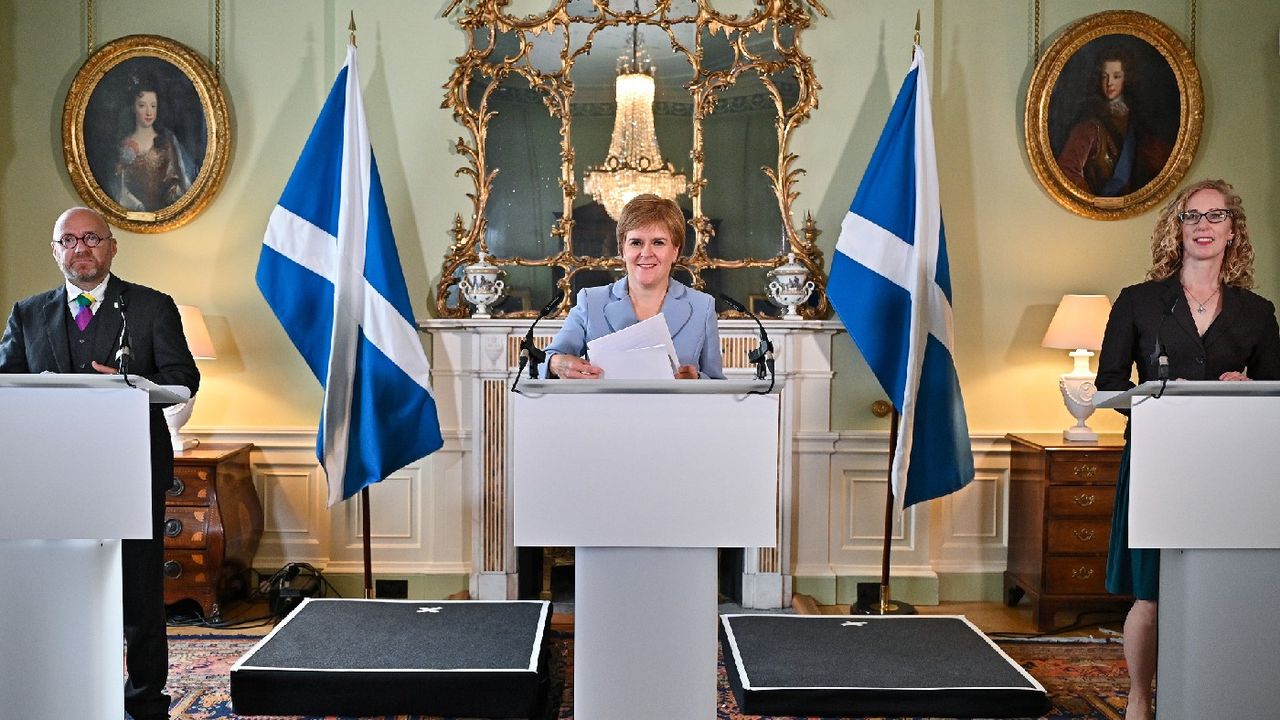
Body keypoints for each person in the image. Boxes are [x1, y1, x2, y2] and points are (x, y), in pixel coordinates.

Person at [0, 207, 200, 720]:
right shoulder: (27, 313)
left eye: (91, 238)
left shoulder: (152, 307)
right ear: (55, 251)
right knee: (60, 585)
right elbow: (5, 383)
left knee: (139, 589)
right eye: (69, 240)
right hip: (49, 473)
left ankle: (144, 702)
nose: (80, 248)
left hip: (131, 468)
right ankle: (58, 689)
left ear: (112, 247)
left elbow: (184, 381)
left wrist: (131, 385)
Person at [1094, 179, 1280, 720]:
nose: (1203, 225)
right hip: (1156, 461)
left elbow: (1276, 390)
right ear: (1176, 230)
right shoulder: (1138, 302)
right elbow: (1109, 386)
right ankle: (1140, 697)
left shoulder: (1257, 312)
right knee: (1149, 594)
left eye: (1215, 216)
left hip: (1229, 466)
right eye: (1191, 216)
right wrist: (1155, 398)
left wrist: (1246, 388)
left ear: (1232, 232)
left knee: (1221, 589)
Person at [545, 193, 724, 379]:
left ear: (675, 251)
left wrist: (698, 380)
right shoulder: (591, 301)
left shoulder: (702, 307)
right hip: (604, 408)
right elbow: (548, 358)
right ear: (622, 249)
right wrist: (555, 363)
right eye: (636, 242)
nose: (646, 253)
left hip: (678, 408)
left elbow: (716, 381)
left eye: (658, 242)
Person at [1055, 46, 1172, 197]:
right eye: (1104, 76)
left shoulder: (1136, 120)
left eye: (1116, 76)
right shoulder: (1089, 126)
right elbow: (1068, 169)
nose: (1109, 83)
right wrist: (1094, 203)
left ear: (1126, 78)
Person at [112, 75, 196, 212]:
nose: (149, 112)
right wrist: (137, 206)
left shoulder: (167, 141)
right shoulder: (124, 145)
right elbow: (119, 189)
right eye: (142, 105)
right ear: (133, 108)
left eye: (153, 106)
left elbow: (177, 179)